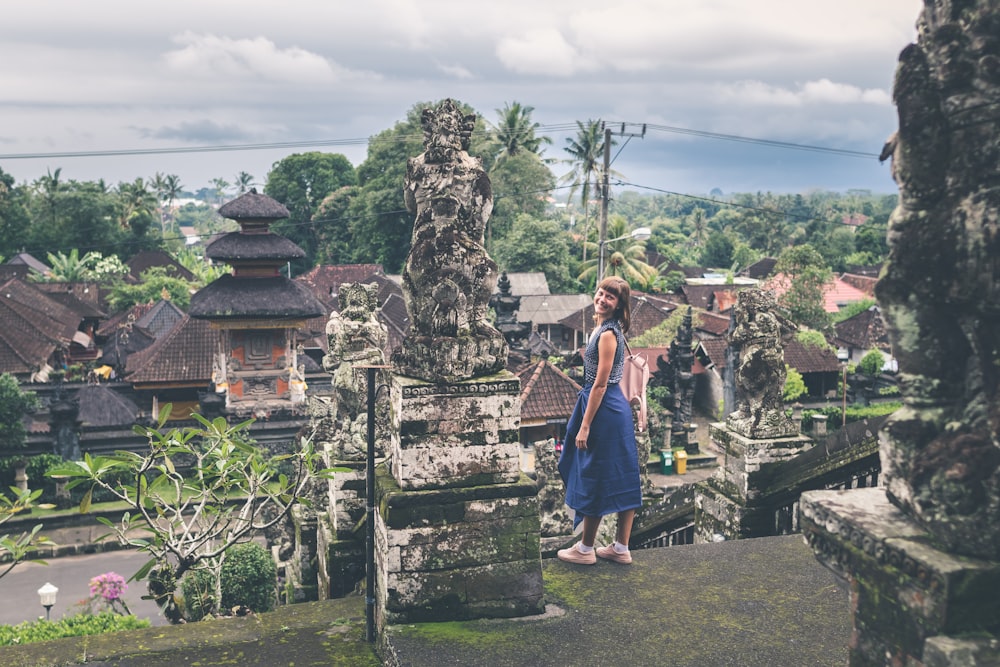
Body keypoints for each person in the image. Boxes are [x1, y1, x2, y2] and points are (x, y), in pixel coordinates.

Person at [557, 276, 642, 565]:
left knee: (594, 473)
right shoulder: (605, 328)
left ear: (619, 306)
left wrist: (585, 425)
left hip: (604, 409)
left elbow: (600, 384)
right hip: (611, 409)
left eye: (611, 297)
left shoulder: (607, 334)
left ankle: (585, 549)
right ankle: (620, 548)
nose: (603, 299)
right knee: (622, 473)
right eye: (601, 292)